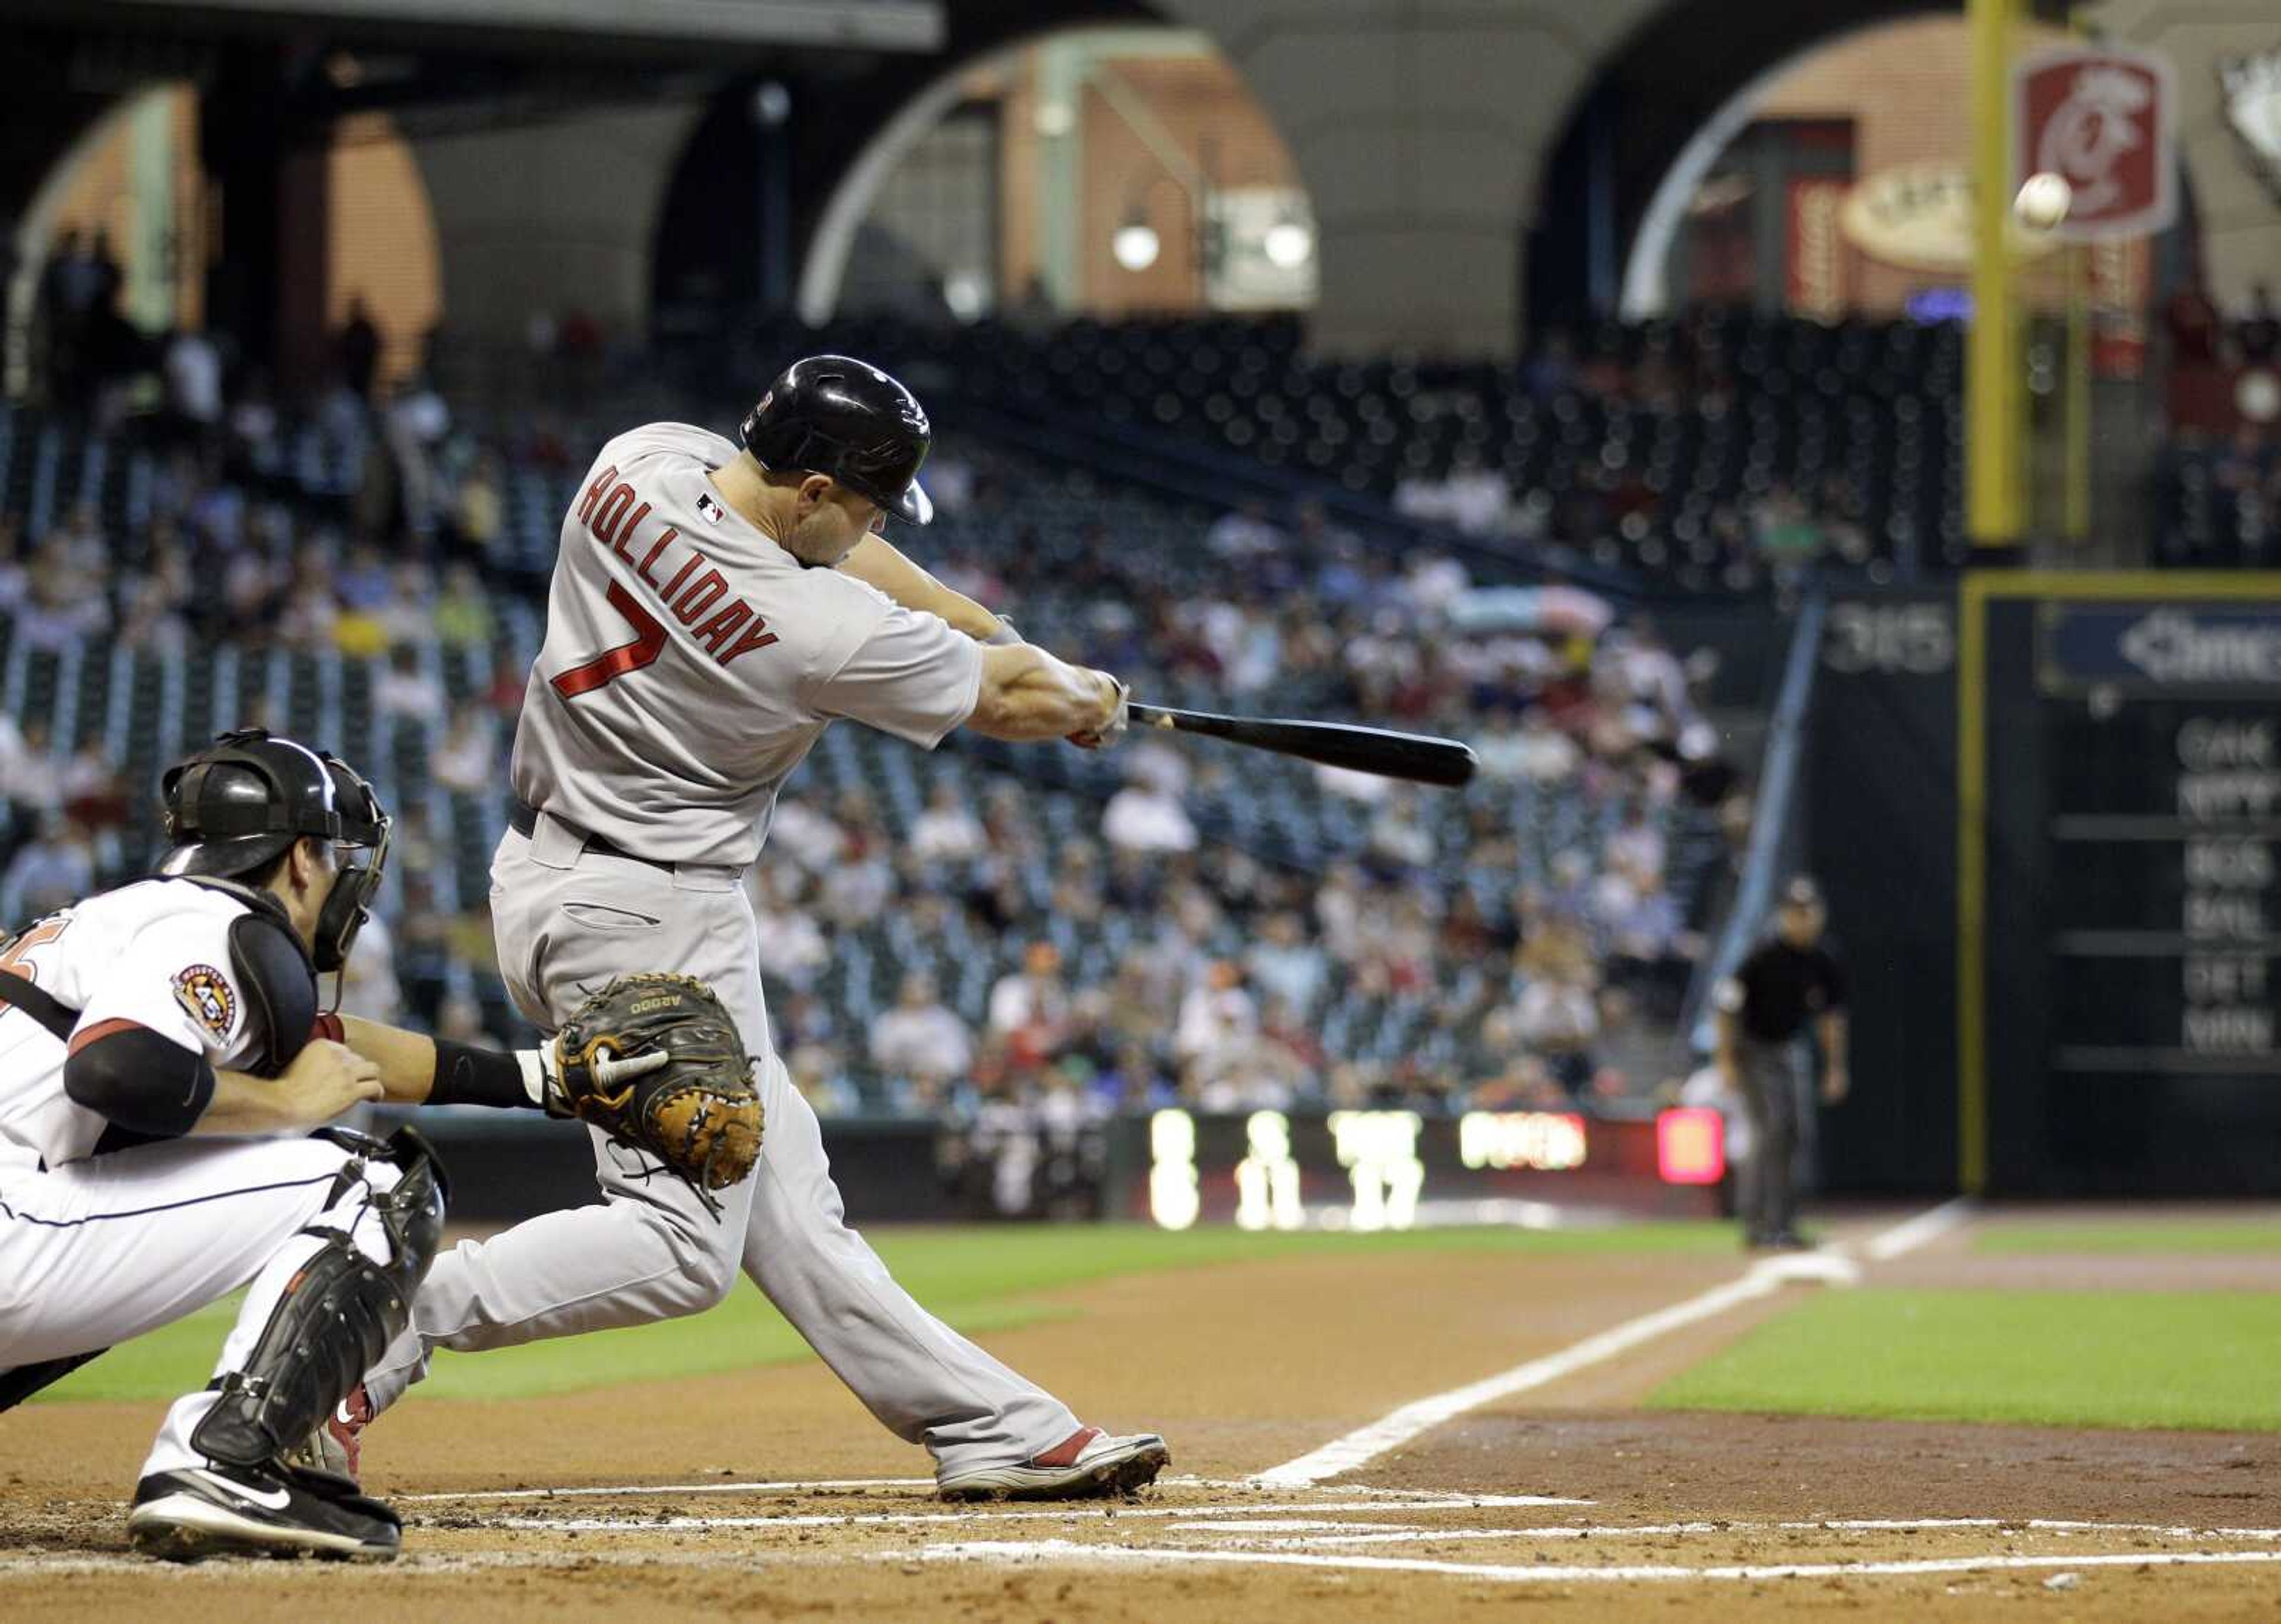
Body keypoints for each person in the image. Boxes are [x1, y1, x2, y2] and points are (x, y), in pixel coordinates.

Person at [354, 355, 1168, 1500]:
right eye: (870, 502)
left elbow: (867, 565)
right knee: (682, 1244)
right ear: (817, 494)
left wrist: (993, 627)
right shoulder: (814, 625)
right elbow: (1013, 701)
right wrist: (1085, 694)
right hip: (650, 917)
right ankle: (370, 1327)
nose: (878, 525)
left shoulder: (638, 459)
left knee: (789, 1198)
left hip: (554, 870)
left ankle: (993, 1423)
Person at [0, 731, 447, 1560]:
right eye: (335, 855)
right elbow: (117, 1066)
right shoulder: (222, 918)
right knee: (369, 1179)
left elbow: (349, 1045)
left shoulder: (122, 918)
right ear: (303, 859)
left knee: (137, 1227)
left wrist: (539, 1078)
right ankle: (222, 1461)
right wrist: (283, 1103)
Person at [1713, 876, 1849, 1250]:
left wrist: (1836, 1066)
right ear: (1784, 915)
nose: (1803, 919)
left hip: (1790, 1051)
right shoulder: (1762, 954)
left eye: (1808, 912)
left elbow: (1831, 1018)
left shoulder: (1822, 959)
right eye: (1795, 912)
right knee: (1771, 1131)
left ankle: (1785, 1224)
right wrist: (1725, 1061)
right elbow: (1726, 1006)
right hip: (1753, 1051)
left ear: (1819, 914)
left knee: (1796, 1134)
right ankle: (1757, 1225)